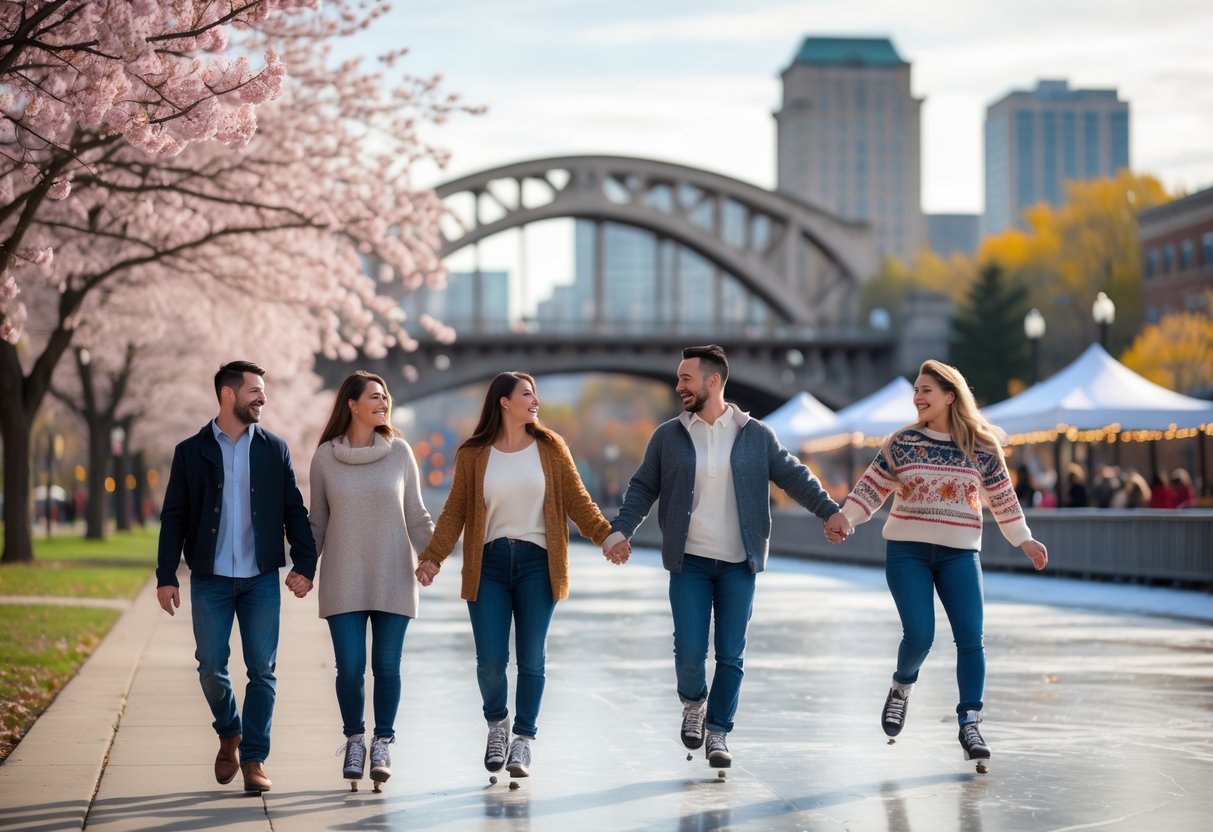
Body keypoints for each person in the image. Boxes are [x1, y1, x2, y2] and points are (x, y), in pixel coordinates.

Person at [604, 345, 846, 770]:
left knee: (731, 655)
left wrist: (830, 510)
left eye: (686, 379)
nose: (678, 386)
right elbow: (643, 487)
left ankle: (718, 733)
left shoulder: (756, 435)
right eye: (679, 379)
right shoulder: (669, 436)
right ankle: (693, 703)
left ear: (713, 381)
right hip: (690, 562)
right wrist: (622, 530)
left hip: (739, 563)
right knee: (690, 653)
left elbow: (794, 477)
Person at [824, 359, 1048, 771]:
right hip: (907, 551)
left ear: (950, 396)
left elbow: (1003, 500)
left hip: (960, 553)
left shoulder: (981, 448)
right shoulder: (901, 443)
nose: (918, 397)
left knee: (971, 637)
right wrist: (845, 517)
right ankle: (902, 685)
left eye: (926, 390)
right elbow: (870, 489)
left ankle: (970, 722)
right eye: (915, 390)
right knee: (920, 635)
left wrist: (1025, 540)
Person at [414, 371, 628, 779]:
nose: (535, 402)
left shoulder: (550, 447)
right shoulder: (474, 454)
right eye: (527, 395)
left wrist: (606, 535)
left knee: (531, 658)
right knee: (491, 662)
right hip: (488, 565)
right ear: (504, 402)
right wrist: (433, 557)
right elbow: (455, 512)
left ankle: (524, 740)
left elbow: (577, 500)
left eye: (536, 395)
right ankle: (498, 725)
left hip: (537, 563)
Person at [156, 361, 317, 794]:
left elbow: (293, 510)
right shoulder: (190, 451)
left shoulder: (273, 449)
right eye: (254, 391)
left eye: (262, 391)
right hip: (209, 577)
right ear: (228, 395)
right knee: (210, 665)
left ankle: (254, 758)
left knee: (262, 670)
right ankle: (229, 730)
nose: (262, 398)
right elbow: (174, 517)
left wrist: (306, 564)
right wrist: (165, 574)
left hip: (259, 577)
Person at [309, 371, 435, 789]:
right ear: (352, 404)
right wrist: (302, 569)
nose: (383, 402)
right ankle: (355, 740)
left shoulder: (400, 452)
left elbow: (416, 514)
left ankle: (383, 741)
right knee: (349, 668)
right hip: (343, 575)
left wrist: (432, 556)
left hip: (394, 574)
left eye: (386, 396)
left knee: (386, 666)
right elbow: (317, 523)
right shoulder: (325, 456)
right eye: (375, 397)